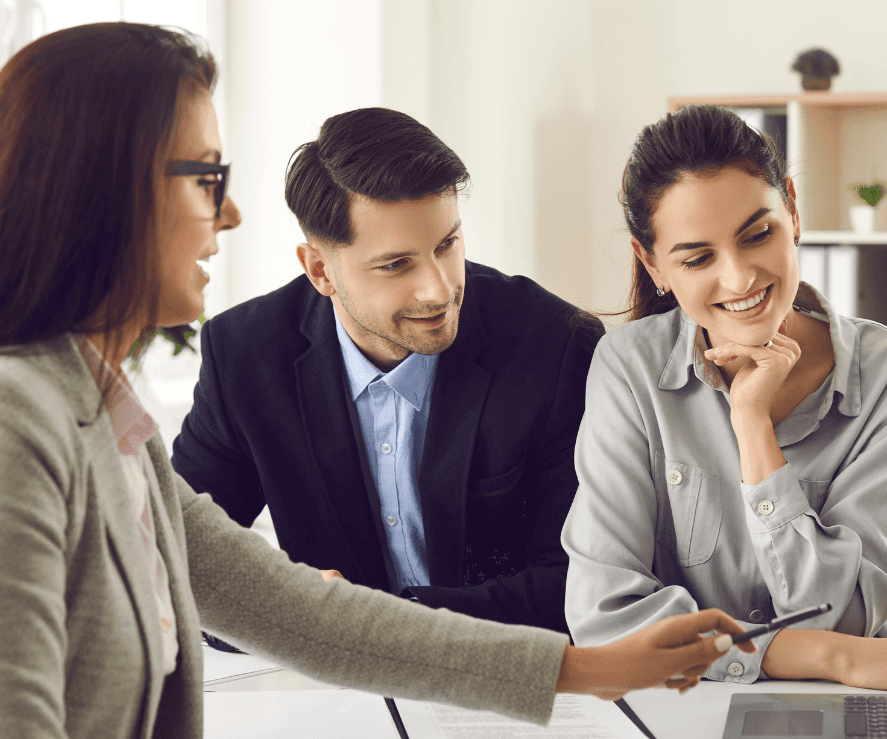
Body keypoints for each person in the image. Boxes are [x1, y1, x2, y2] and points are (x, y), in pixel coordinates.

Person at [0, 25, 755, 739]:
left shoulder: (103, 418)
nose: (232, 212)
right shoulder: (21, 427)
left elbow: (297, 612)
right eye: (208, 178)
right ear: (106, 195)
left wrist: (582, 669)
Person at [562, 103, 887, 695]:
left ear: (791, 209)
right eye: (697, 258)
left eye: (758, 234)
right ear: (653, 263)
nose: (740, 278)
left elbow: (844, 618)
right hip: (680, 713)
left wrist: (753, 428)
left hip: (850, 708)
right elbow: (605, 620)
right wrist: (825, 655)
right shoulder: (628, 367)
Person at [172, 107, 599, 633]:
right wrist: (287, 604)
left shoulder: (554, 343)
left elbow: (581, 582)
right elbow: (176, 562)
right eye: (396, 265)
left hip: (508, 677)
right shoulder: (244, 356)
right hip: (333, 692)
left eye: (448, 244)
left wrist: (379, 623)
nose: (439, 289)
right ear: (320, 270)